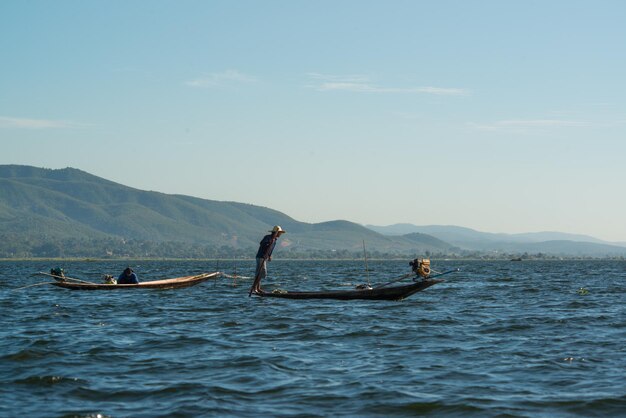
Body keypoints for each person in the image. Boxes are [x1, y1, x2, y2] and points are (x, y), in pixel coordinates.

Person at [250, 225, 286, 294]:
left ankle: (258, 288)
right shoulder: (268, 237)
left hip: (264, 257)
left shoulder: (274, 240)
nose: (280, 234)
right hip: (261, 256)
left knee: (260, 273)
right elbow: (262, 243)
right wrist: (269, 242)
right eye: (279, 233)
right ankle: (254, 288)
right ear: (276, 233)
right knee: (261, 272)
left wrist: (269, 256)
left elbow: (270, 249)